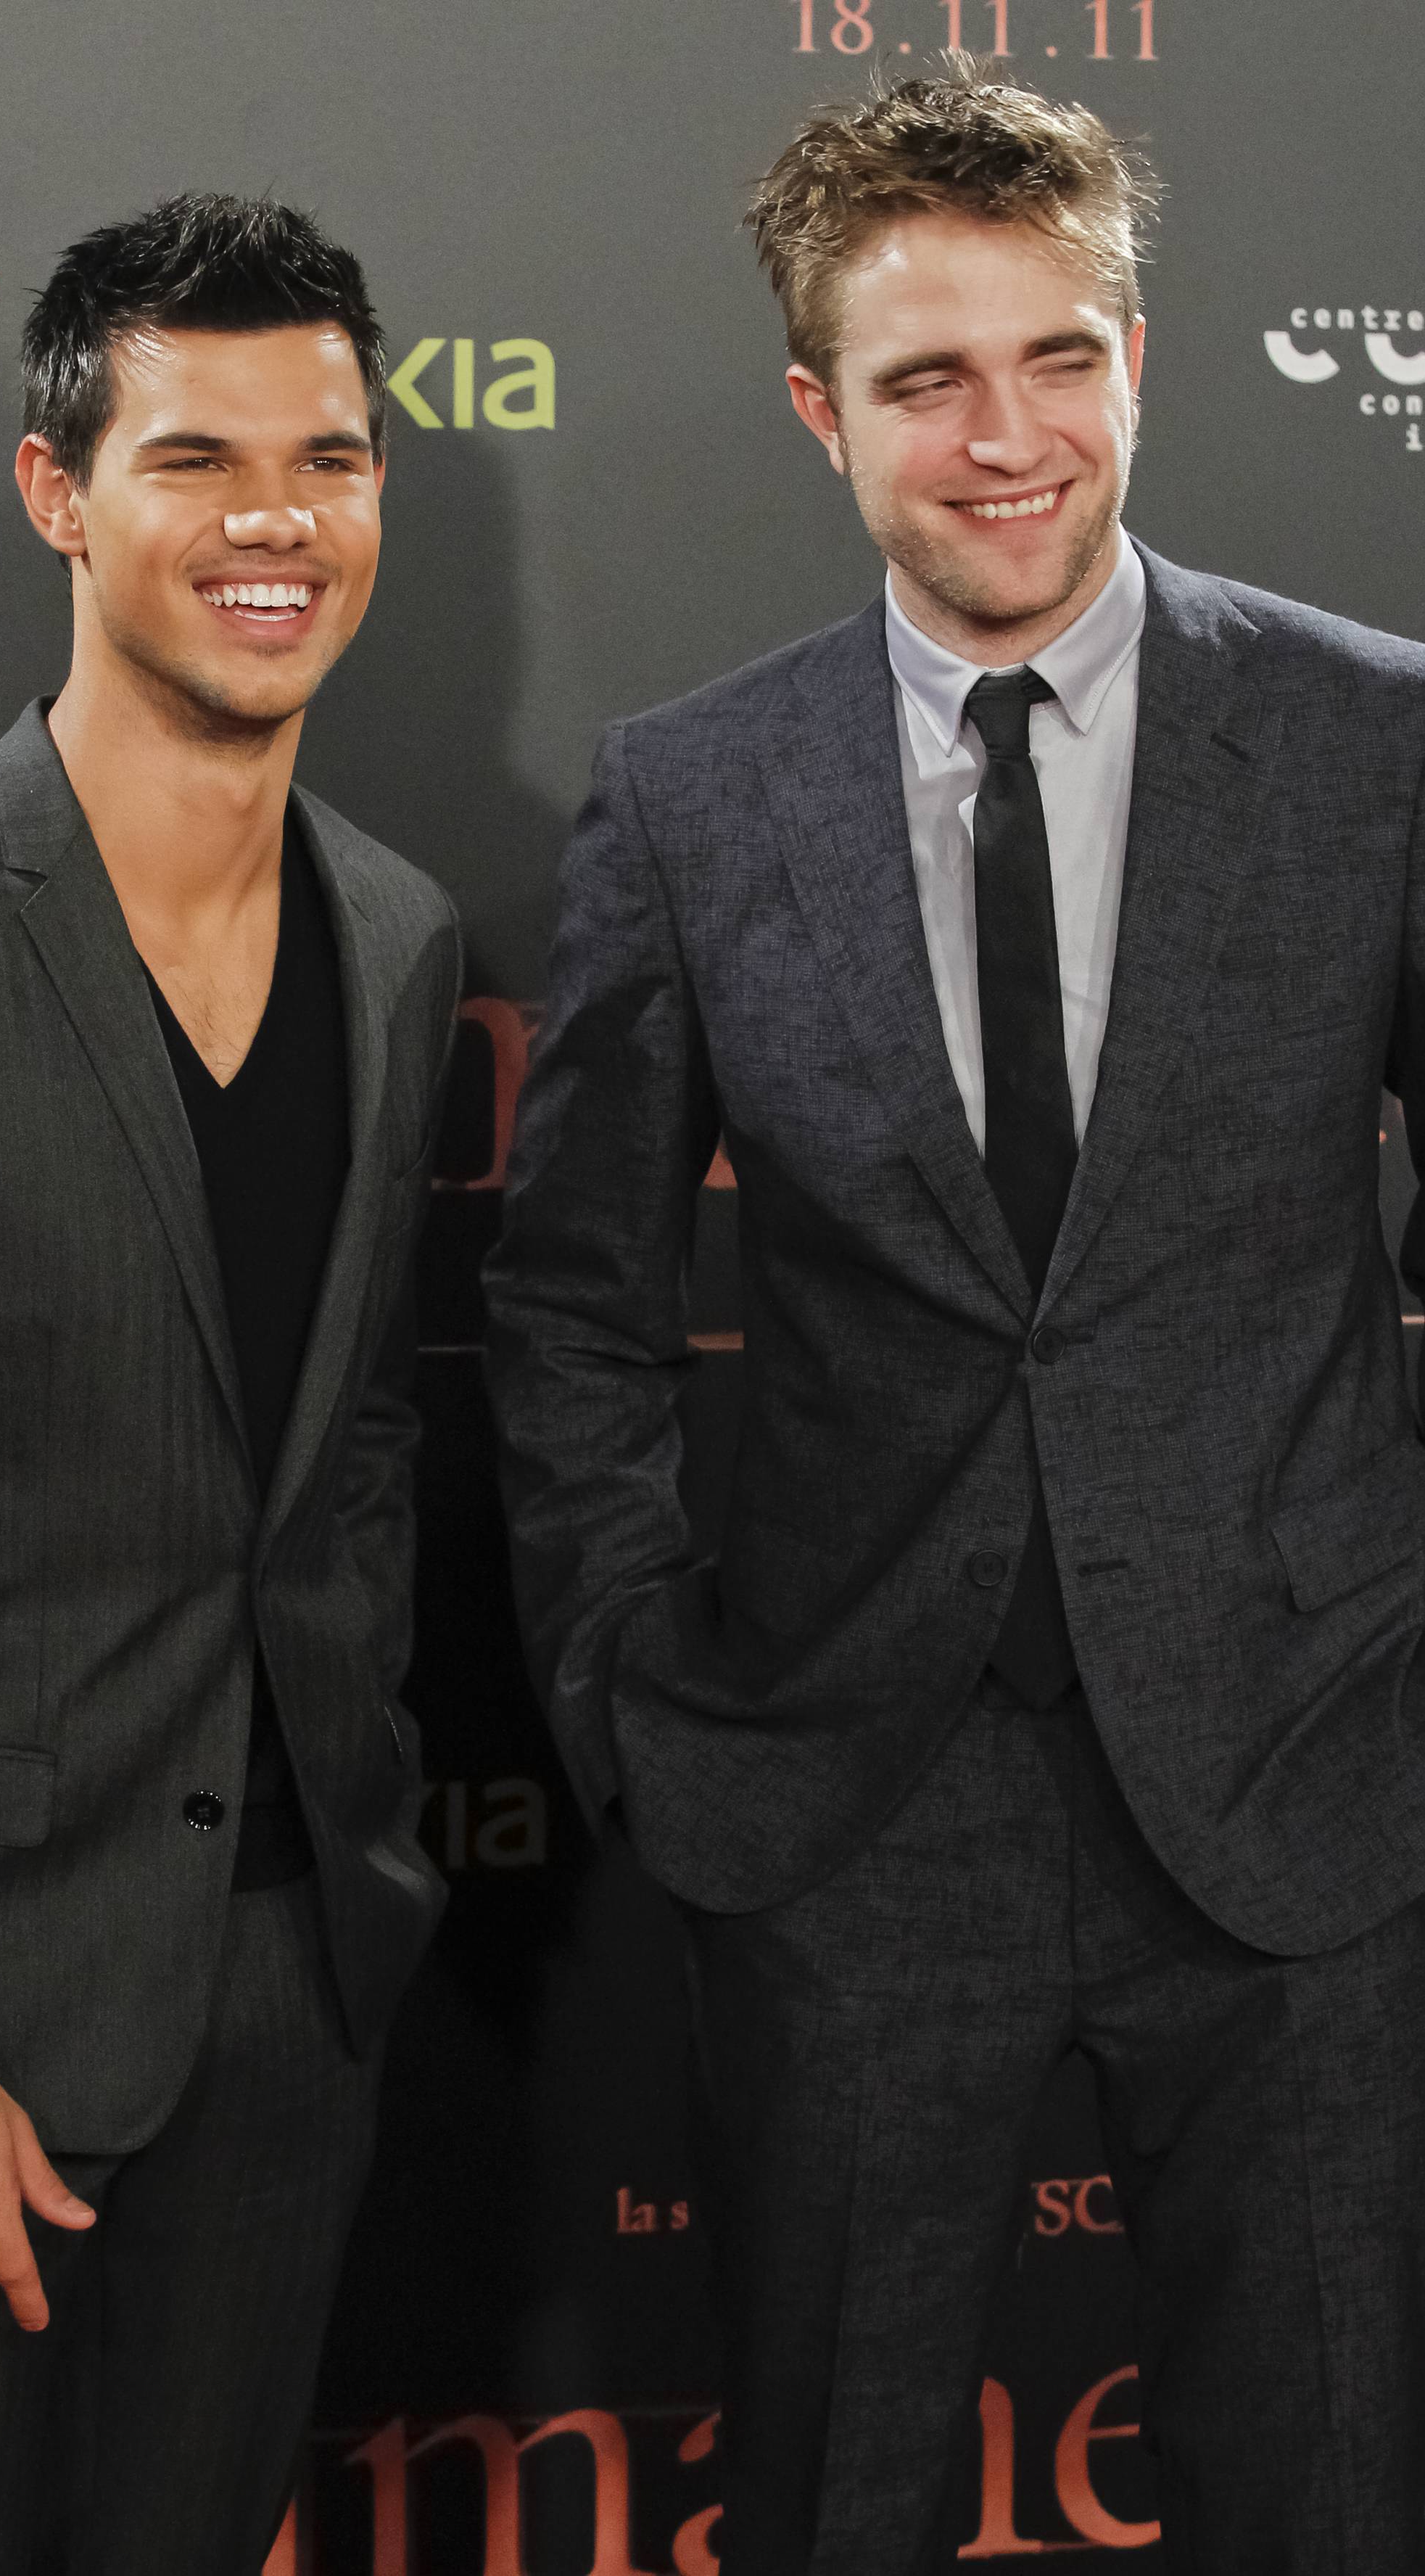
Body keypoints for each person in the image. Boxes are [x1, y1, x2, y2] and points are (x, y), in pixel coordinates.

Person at [484, 62, 1425, 2575]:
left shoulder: (1376, 738)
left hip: (1305, 1779)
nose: (1004, 441)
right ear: (821, 411)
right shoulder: (696, 794)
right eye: (925, 379)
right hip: (845, 1805)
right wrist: (628, 1692)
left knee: (1332, 2500)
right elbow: (571, 1298)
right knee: (832, 2508)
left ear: (1138, 359)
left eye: (1055, 360)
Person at [0, 192, 459, 2573]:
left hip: (286, 2012)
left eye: (326, 461)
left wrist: (355, 1899)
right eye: (194, 459)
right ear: (56, 493)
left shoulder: (398, 929)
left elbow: (341, 1454)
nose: (275, 520)